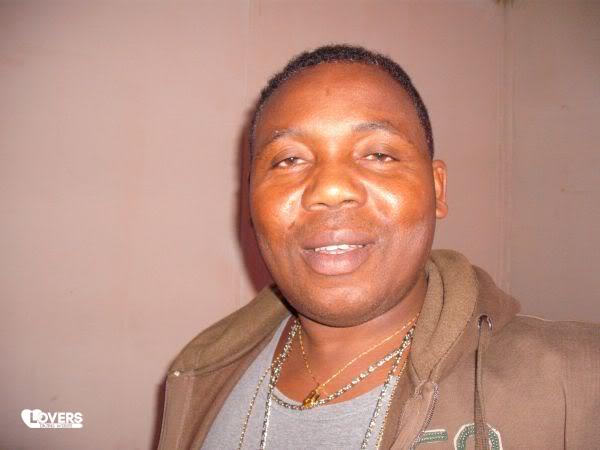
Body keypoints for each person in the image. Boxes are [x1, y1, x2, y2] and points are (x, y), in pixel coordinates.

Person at [157, 45, 600, 450]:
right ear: (250, 202)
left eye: (378, 154)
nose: (330, 189)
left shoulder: (577, 383)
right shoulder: (200, 372)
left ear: (437, 188)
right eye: (289, 159)